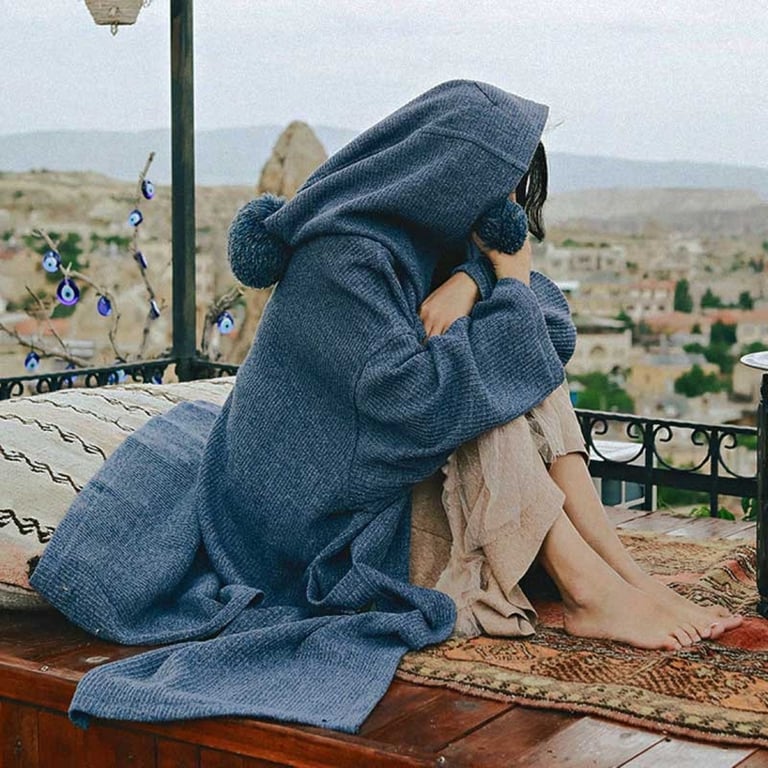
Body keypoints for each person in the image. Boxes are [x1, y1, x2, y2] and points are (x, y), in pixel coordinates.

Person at [28, 80, 740, 736]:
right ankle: (588, 590)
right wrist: (509, 285)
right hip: (313, 531)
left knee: (515, 361)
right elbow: (423, 404)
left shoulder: (433, 244)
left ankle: (621, 574)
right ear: (453, 176)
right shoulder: (342, 260)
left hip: (372, 490)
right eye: (503, 187)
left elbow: (551, 336)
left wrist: (476, 282)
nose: (508, 209)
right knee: (484, 385)